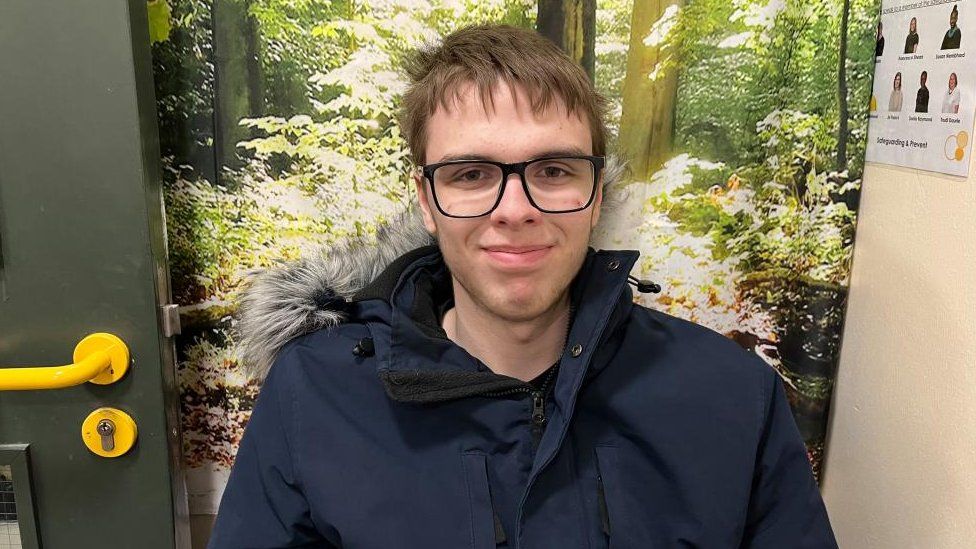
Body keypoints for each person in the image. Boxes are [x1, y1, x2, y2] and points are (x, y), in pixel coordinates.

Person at [208, 24, 838, 548]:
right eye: (473, 173)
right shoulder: (314, 395)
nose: (515, 209)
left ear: (596, 196)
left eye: (554, 169)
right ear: (426, 200)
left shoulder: (730, 394)